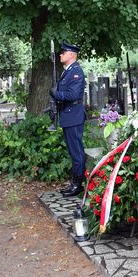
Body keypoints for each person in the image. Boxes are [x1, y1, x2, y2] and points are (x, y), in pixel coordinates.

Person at [49, 42, 86, 197]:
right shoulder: (68, 71)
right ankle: (74, 182)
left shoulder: (76, 71)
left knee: (76, 151)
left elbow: (73, 95)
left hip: (73, 116)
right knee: (73, 151)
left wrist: (56, 94)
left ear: (71, 54)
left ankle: (78, 184)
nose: (60, 55)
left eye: (63, 52)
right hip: (68, 116)